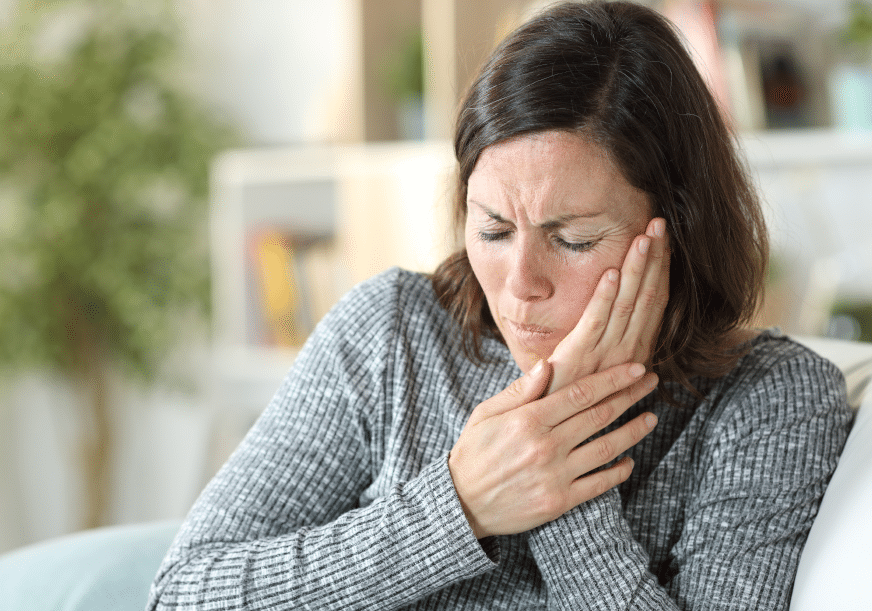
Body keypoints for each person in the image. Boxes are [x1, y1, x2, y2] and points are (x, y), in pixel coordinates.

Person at [148, 2, 851, 609]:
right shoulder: (391, 333)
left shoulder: (768, 402)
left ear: (677, 230)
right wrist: (458, 506)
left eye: (571, 239)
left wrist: (561, 478)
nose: (519, 282)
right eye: (491, 229)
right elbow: (181, 593)